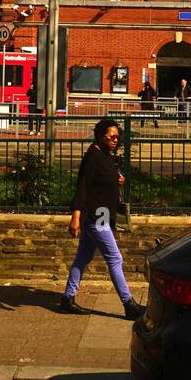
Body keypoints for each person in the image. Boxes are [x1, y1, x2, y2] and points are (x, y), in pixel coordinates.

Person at [60, 118, 144, 320]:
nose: (116, 140)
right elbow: (82, 187)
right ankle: (128, 304)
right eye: (112, 137)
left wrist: (118, 180)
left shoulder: (104, 155)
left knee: (84, 257)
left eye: (118, 137)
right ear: (100, 136)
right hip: (95, 216)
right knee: (115, 258)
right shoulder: (93, 156)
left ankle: (67, 298)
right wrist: (75, 216)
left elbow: (104, 179)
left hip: (101, 214)